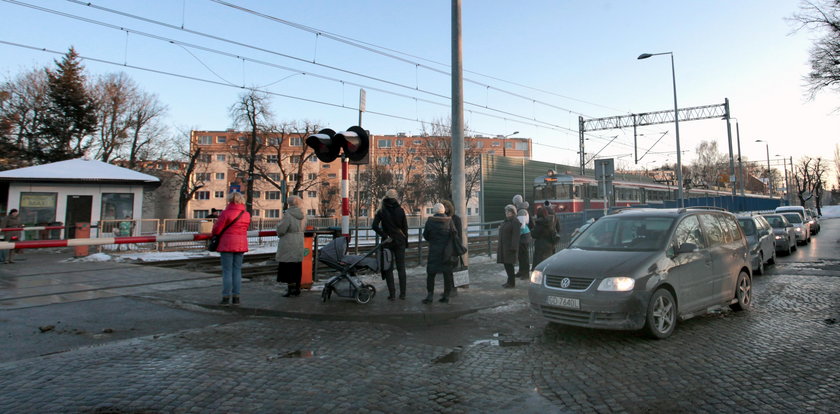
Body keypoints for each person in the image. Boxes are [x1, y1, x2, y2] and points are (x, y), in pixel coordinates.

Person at [211, 192, 251, 305]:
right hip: (241, 244)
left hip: (227, 243)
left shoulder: (225, 213)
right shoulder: (246, 214)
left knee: (227, 271)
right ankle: (236, 297)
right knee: (237, 270)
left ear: (230, 201)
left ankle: (225, 296)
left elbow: (217, 229)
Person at [371, 189, 409, 300]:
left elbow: (374, 226)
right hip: (400, 241)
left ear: (386, 197)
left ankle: (392, 295)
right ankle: (403, 294)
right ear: (396, 197)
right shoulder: (400, 210)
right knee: (401, 268)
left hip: (388, 242)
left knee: (388, 268)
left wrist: (384, 235)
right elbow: (405, 228)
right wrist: (405, 242)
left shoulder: (381, 210)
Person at [422, 203, 454, 304]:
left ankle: (430, 296)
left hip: (434, 251)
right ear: (443, 211)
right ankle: (446, 296)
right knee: (447, 274)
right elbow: (454, 234)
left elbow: (426, 235)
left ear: (434, 211)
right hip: (447, 252)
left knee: (431, 274)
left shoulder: (430, 221)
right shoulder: (449, 221)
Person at [276, 195, 306, 298]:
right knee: (297, 265)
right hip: (299, 240)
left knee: (288, 265)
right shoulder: (303, 214)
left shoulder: (288, 214)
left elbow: (282, 229)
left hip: (288, 241)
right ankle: (297, 288)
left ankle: (290, 288)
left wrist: (278, 228)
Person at [441, 199, 463, 296]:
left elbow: (459, 235)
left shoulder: (455, 219)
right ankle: (447, 290)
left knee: (453, 269)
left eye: (446, 207)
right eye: (443, 207)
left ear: (449, 208)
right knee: (446, 270)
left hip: (453, 248)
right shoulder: (441, 218)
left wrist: (458, 248)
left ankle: (454, 289)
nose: (445, 209)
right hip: (444, 248)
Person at [498, 204, 521, 288]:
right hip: (504, 247)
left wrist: (514, 247)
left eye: (509, 211)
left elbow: (516, 235)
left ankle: (512, 283)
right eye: (506, 211)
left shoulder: (515, 221)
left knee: (509, 265)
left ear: (513, 212)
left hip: (510, 248)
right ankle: (509, 281)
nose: (507, 213)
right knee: (506, 264)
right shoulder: (506, 221)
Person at [512, 195, 532, 280]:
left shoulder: (521, 211)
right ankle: (521, 271)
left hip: (523, 235)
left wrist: (515, 232)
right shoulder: (522, 210)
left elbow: (521, 226)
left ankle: (525, 273)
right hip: (524, 235)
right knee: (521, 255)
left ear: (516, 202)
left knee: (524, 255)